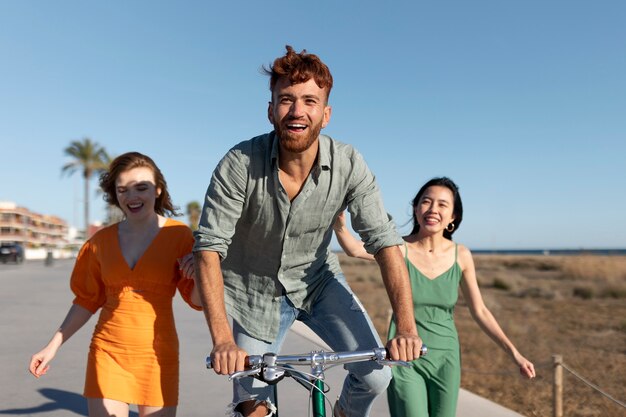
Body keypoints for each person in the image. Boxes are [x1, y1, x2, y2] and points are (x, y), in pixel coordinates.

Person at [193, 45, 422, 417]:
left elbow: (384, 242)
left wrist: (407, 328)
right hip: (254, 294)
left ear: (326, 114)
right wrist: (222, 340)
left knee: (378, 378)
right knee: (254, 408)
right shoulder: (239, 163)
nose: (297, 111)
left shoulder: (349, 164)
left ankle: (344, 411)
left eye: (310, 101)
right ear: (271, 110)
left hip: (318, 282)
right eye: (286, 99)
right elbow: (208, 249)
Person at [334, 177, 536, 417]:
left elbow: (480, 310)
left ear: (453, 217)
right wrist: (339, 225)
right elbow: (355, 249)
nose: (433, 209)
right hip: (405, 355)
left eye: (442, 205)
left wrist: (515, 353)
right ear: (416, 208)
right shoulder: (397, 248)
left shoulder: (461, 255)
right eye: (426, 202)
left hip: (446, 358)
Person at [29, 152, 202, 417]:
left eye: (141, 188)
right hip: (107, 351)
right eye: (123, 190)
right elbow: (86, 301)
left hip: (158, 354)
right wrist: (51, 346)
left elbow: (199, 300)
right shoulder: (100, 242)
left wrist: (201, 272)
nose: (131, 197)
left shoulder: (179, 236)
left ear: (157, 189)